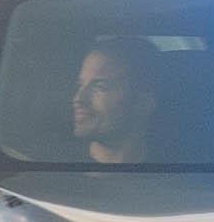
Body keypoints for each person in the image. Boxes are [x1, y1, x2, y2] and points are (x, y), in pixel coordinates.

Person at [71, 36, 166, 165]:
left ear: (144, 103)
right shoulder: (50, 168)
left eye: (100, 87)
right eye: (80, 85)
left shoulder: (176, 173)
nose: (78, 99)